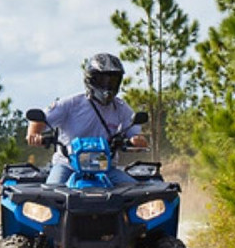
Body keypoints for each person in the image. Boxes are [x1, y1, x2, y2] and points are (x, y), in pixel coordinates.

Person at [27, 53, 149, 186]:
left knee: (137, 193)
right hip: (67, 166)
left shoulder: (121, 107)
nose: (108, 85)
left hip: (106, 169)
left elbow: (135, 134)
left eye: (112, 81)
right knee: (50, 195)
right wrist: (34, 135)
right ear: (91, 79)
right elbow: (40, 119)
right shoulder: (71, 103)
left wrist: (136, 141)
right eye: (102, 80)